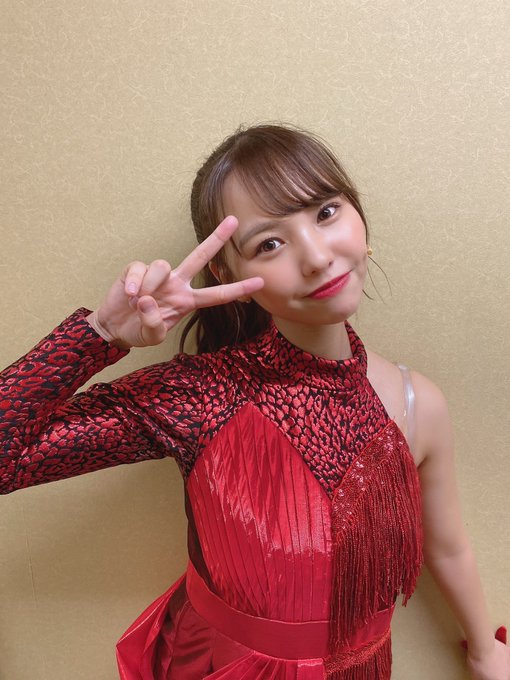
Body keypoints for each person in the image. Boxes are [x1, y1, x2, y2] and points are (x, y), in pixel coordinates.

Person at [0, 124, 508, 680]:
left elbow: (448, 547)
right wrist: (100, 333)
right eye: (269, 244)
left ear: (358, 213)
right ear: (226, 273)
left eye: (326, 212)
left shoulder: (417, 404)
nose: (316, 257)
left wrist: (484, 651)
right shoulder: (200, 395)